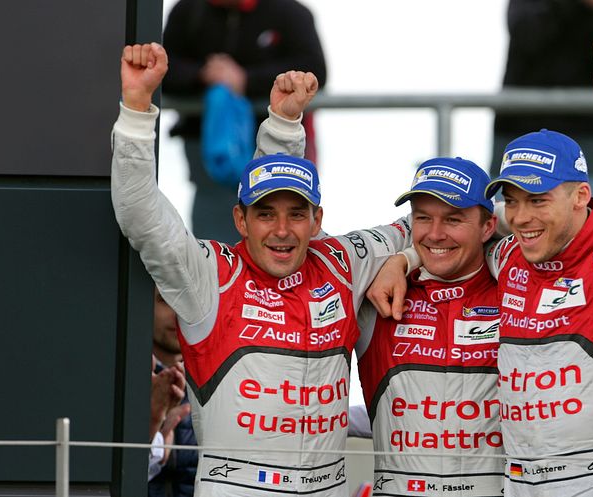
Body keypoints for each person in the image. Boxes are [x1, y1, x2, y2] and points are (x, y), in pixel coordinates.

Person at [368, 2, 593, 495]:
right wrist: (403, 257)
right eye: (512, 201)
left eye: (538, 199)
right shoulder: (510, 256)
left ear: (582, 195)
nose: (522, 217)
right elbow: (452, 233)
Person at [112, 43, 411, 497]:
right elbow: (141, 213)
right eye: (265, 214)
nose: (282, 230)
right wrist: (137, 108)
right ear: (240, 221)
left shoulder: (343, 262)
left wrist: (404, 259)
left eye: (297, 214)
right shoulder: (210, 274)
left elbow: (434, 229)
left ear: (317, 220)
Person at [356, 157, 504, 496]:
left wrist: (407, 257)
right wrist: (284, 127)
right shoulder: (378, 293)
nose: (435, 233)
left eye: (453, 219)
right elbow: (297, 245)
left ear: (487, 226)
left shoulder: (515, 290)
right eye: (423, 217)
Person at [162, 0, 327, 243]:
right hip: (209, 159)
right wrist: (203, 75)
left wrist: (245, 80)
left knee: (283, 231)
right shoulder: (188, 11)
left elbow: (315, 70)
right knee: (217, 251)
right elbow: (163, 67)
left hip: (282, 152)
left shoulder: (290, 12)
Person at [490, 0, 593, 204]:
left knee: (585, 229)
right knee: (507, 226)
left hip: (584, 142)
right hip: (518, 137)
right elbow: (528, 37)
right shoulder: (526, 5)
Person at [149, 289, 198, 497]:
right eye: (166, 300)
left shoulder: (230, 383)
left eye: (190, 302)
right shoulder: (116, 375)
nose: (178, 312)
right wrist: (152, 427)